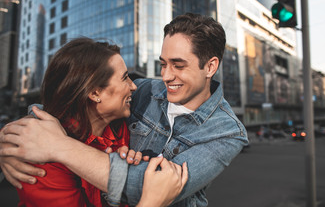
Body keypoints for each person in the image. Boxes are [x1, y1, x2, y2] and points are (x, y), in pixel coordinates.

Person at [0, 13, 248, 206]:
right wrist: (13, 139)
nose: (166, 76)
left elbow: (143, 187)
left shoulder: (226, 132)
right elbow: (70, 103)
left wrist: (56, 145)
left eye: (178, 65)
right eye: (163, 64)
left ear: (210, 66)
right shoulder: (143, 92)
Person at [0, 38, 188, 207]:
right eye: (124, 78)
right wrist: (152, 201)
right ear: (95, 93)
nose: (133, 86)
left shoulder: (122, 128)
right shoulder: (41, 161)